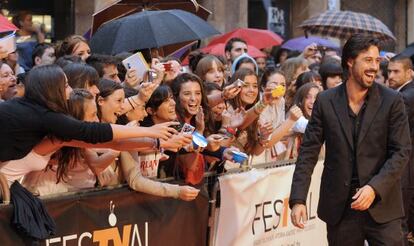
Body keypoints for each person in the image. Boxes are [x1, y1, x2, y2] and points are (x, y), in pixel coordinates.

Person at [289, 34, 411, 245]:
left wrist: (374, 188)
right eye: (368, 60)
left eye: (377, 60)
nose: (374, 67)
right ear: (350, 61)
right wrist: (298, 199)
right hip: (340, 208)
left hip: (382, 205)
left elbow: (401, 152)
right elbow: (308, 152)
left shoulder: (392, 101)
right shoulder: (326, 102)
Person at [0, 65, 177, 162]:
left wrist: (158, 140)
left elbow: (107, 140)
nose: (71, 91)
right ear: (53, 90)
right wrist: (150, 132)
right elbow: (92, 132)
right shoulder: (44, 116)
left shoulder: (31, 109)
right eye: (66, 86)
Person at [387, 55, 414, 243]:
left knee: (400, 221)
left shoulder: (403, 97)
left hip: (405, 166)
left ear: (410, 73)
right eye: (389, 71)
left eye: (396, 71)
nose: (390, 75)